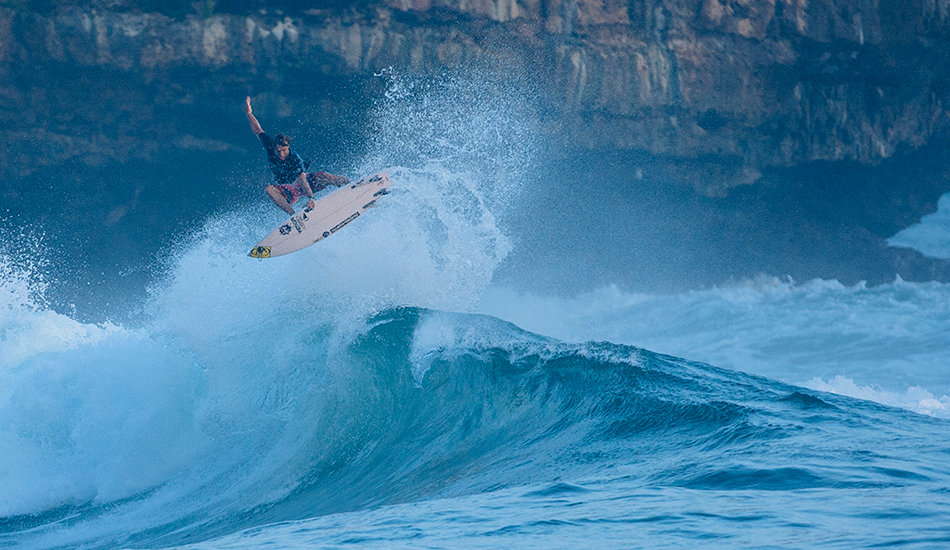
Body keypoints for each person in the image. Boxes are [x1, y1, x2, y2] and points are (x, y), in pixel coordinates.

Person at [245, 96, 350, 215]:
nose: (281, 154)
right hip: (289, 189)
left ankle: (352, 185)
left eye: (284, 150)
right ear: (274, 147)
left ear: (288, 147)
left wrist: (311, 198)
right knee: (269, 189)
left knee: (324, 176)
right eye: (278, 151)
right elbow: (257, 129)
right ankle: (294, 216)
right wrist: (249, 113)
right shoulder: (269, 144)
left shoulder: (294, 158)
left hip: (304, 184)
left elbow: (302, 179)